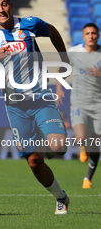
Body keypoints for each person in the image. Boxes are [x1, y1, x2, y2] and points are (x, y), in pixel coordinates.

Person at [0, 0, 70, 214]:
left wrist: (64, 59)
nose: (1, 10)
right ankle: (60, 197)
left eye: (4, 4)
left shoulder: (29, 24)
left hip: (40, 97)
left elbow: (53, 31)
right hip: (15, 106)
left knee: (59, 147)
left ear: (10, 5)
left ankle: (48, 137)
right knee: (34, 162)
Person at [56, 23, 101, 189]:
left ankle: (87, 178)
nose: (91, 36)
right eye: (88, 33)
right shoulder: (74, 52)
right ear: (83, 36)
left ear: (98, 35)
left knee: (96, 144)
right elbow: (61, 67)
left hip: (98, 104)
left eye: (94, 33)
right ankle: (83, 144)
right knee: (81, 136)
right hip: (79, 102)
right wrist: (59, 88)